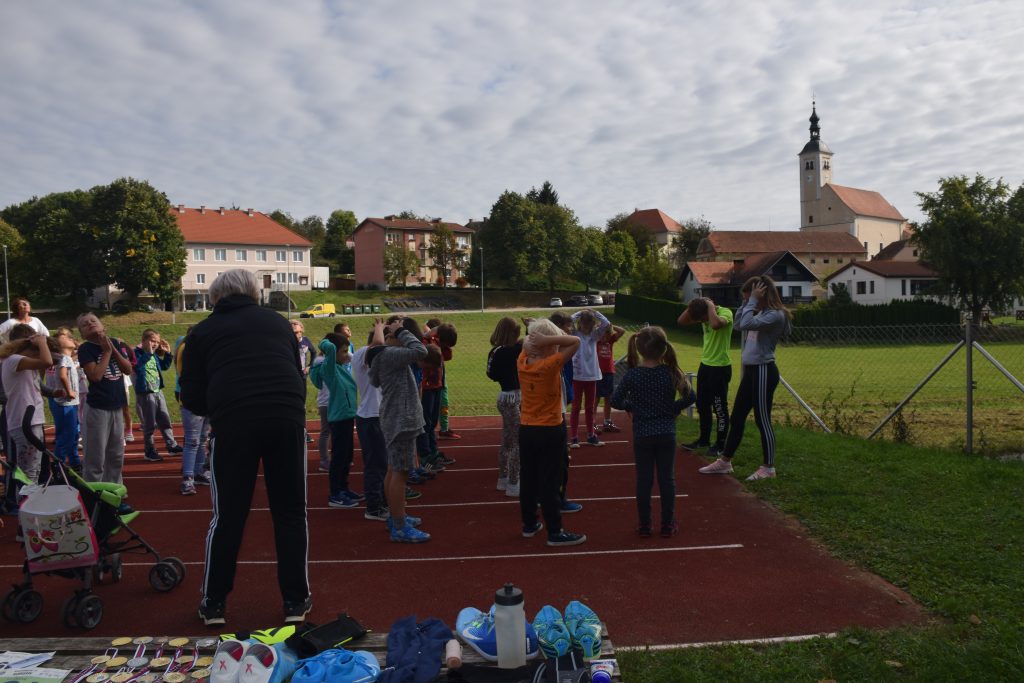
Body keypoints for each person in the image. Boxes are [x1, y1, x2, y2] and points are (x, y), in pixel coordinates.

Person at [180, 269, 311, 626]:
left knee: (228, 516)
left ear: (217, 297)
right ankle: (296, 601)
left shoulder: (202, 332)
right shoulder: (280, 323)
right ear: (255, 294)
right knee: (290, 512)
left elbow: (191, 395)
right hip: (286, 417)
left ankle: (214, 603)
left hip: (235, 422)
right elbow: (296, 374)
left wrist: (221, 405)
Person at [699, 276, 792, 481]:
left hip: (763, 370)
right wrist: (745, 302)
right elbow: (740, 324)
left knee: (762, 420)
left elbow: (748, 322)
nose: (748, 301)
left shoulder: (775, 315)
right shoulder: (760, 312)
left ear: (761, 293)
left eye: (750, 296)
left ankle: (768, 467)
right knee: (737, 417)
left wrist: (751, 302)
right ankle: (725, 461)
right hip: (751, 371)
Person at [611, 327, 695, 538]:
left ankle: (645, 524)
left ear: (639, 349)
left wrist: (633, 406)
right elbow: (691, 396)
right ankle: (667, 524)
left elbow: (615, 400)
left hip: (643, 433)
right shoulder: (671, 371)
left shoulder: (632, 375)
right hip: (666, 431)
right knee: (667, 479)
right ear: (663, 348)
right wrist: (673, 408)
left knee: (644, 480)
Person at [518, 319, 586, 547]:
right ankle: (555, 531)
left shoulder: (523, 361)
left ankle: (529, 524)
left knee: (528, 478)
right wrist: (548, 339)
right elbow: (575, 341)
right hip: (549, 429)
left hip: (526, 428)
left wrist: (537, 336)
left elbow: (527, 343)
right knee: (550, 481)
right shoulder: (550, 366)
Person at [368, 317, 430, 543]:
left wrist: (395, 333)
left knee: (393, 469)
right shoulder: (390, 355)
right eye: (395, 336)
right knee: (401, 472)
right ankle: (400, 526)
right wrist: (401, 330)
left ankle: (396, 517)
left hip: (394, 417)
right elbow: (421, 351)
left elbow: (374, 380)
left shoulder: (382, 357)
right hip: (402, 419)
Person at [76, 313, 133, 484]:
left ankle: (115, 489)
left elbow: (128, 369)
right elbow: (95, 376)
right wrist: (106, 352)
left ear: (103, 326)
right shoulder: (85, 349)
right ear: (82, 334)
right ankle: (94, 493)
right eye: (85, 324)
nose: (91, 324)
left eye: (94, 320)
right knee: (96, 456)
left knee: (116, 455)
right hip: (98, 408)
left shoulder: (114, 343)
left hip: (116, 406)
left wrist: (112, 348)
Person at [677, 297, 734, 455]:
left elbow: (716, 325)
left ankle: (721, 444)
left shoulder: (725, 313)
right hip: (706, 366)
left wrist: (709, 306)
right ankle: (704, 440)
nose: (703, 321)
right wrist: (695, 303)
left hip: (720, 367)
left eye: (702, 317)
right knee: (702, 405)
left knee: (719, 407)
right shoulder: (704, 314)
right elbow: (681, 321)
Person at [1, 333, 59, 486]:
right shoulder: (14, 360)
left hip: (33, 421)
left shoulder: (26, 365)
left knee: (35, 470)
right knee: (28, 473)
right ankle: (23, 504)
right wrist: (42, 342)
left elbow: (52, 360)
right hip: (24, 422)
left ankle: (30, 503)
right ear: (35, 350)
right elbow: (47, 361)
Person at [311, 332, 360, 509]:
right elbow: (329, 347)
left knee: (347, 456)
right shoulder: (328, 368)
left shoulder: (339, 367)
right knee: (339, 457)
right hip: (338, 418)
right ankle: (335, 494)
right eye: (344, 351)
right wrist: (328, 344)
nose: (347, 354)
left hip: (347, 417)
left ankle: (344, 488)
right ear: (333, 352)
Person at [351, 320, 389, 522]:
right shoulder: (365, 352)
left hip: (371, 416)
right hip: (372, 417)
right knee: (376, 464)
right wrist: (380, 328)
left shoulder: (363, 355)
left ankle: (380, 501)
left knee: (379, 463)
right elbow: (378, 346)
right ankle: (374, 507)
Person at [486, 317, 523, 497]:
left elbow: (491, 374)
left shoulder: (495, 351)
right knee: (518, 442)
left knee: (507, 440)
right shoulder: (513, 350)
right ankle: (514, 483)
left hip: (504, 396)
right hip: (513, 397)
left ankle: (503, 478)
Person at [133, 329, 183, 462]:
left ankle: (171, 445)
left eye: (157, 342)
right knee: (149, 424)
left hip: (158, 391)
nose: (155, 344)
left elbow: (164, 366)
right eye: (152, 341)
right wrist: (148, 353)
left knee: (165, 420)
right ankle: (149, 451)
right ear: (143, 341)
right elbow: (137, 367)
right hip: (146, 393)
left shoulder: (154, 355)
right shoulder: (137, 353)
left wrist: (167, 354)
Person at [174, 328, 209, 496]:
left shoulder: (196, 348)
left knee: (202, 439)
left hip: (206, 399)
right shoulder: (186, 348)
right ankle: (187, 478)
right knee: (192, 441)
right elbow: (186, 374)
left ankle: (199, 472)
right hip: (192, 400)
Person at [568, 309, 610, 448]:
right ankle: (574, 437)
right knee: (575, 407)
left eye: (589, 324)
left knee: (590, 407)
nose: (586, 327)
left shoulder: (595, 335)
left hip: (591, 376)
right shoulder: (575, 333)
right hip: (577, 376)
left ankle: (591, 435)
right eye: (584, 324)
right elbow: (568, 320)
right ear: (580, 323)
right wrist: (579, 312)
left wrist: (596, 313)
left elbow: (606, 323)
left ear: (593, 325)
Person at [44, 327, 82, 471]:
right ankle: (57, 464)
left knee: (72, 434)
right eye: (66, 337)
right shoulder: (63, 358)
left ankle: (74, 461)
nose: (71, 338)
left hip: (70, 402)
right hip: (66, 402)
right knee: (67, 434)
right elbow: (62, 375)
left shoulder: (65, 358)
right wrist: (69, 391)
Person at [595, 322, 626, 434]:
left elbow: (622, 331)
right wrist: (599, 327)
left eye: (607, 334)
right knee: (596, 398)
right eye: (602, 334)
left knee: (608, 397)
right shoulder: (595, 342)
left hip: (609, 372)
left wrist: (610, 324)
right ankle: (592, 423)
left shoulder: (610, 340)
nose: (604, 337)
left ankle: (607, 422)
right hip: (597, 373)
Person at [292, 320, 317, 444]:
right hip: (290, 377)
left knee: (302, 405)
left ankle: (303, 432)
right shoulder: (288, 342)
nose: (297, 334)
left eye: (298, 331)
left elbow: (314, 352)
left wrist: (309, 366)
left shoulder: (306, 341)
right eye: (294, 332)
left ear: (302, 329)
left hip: (302, 377)